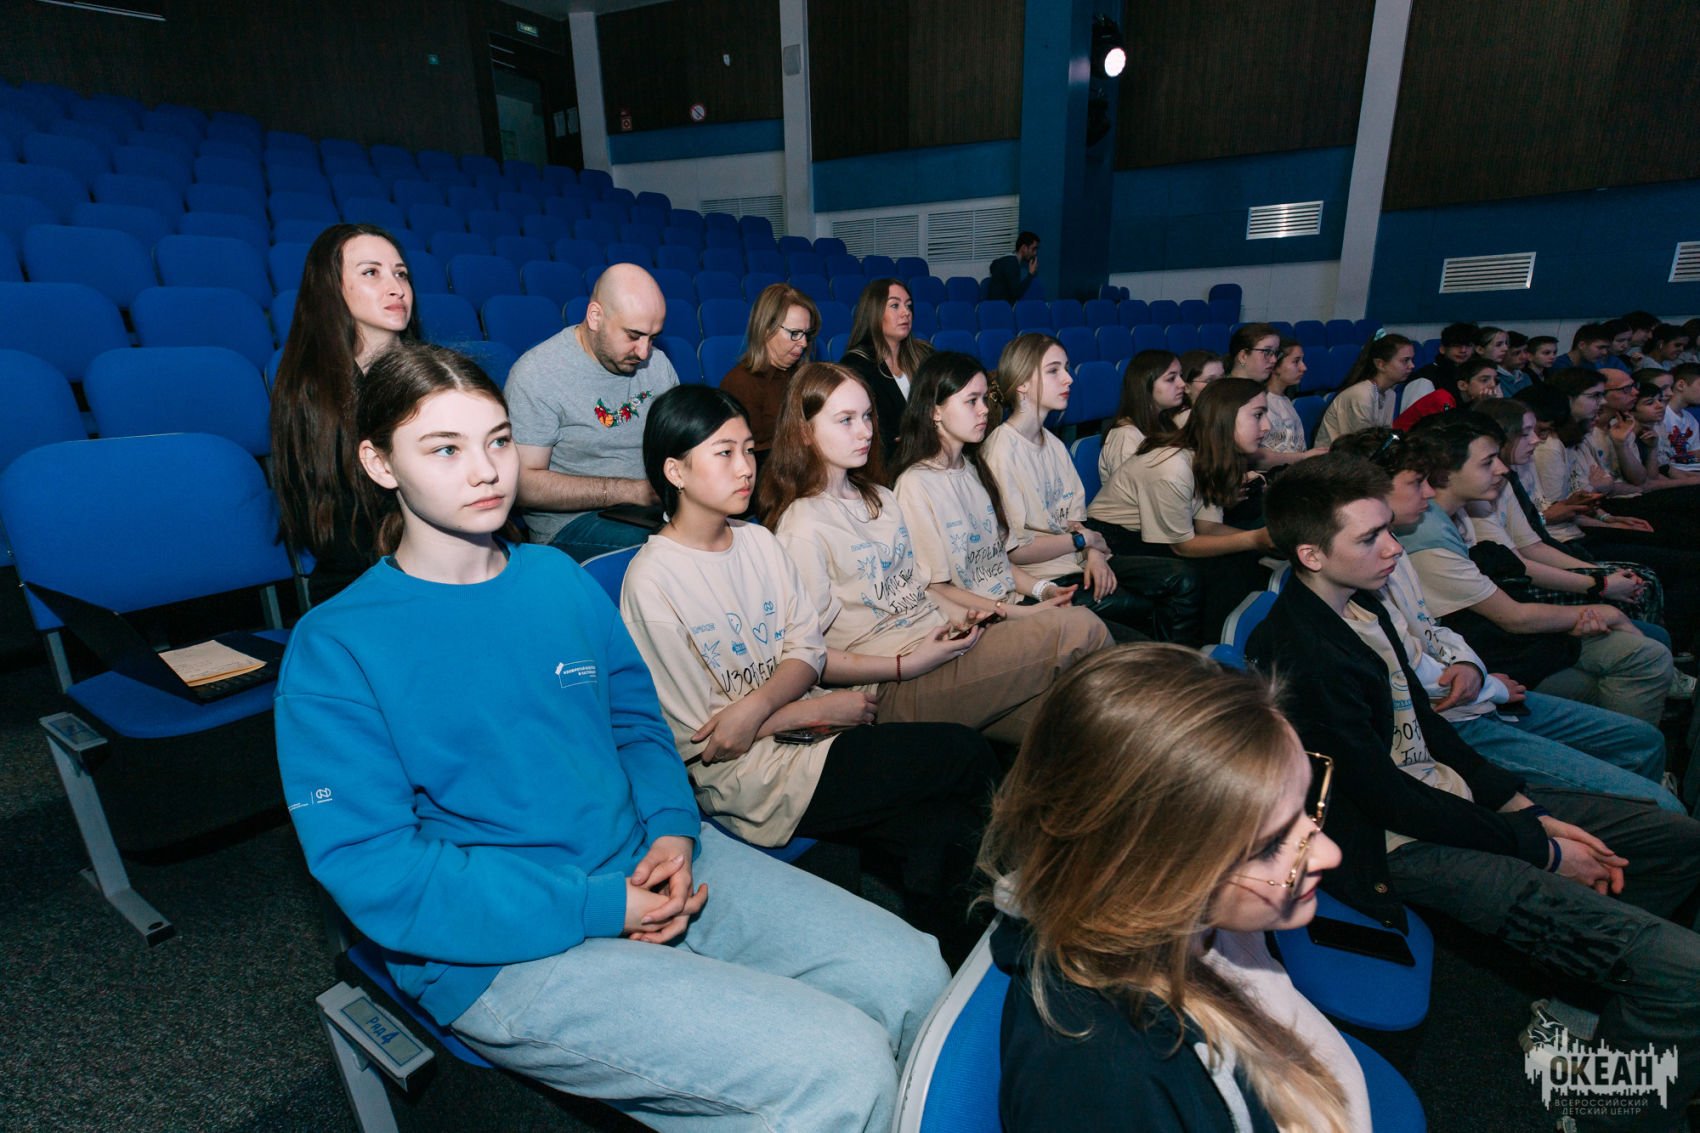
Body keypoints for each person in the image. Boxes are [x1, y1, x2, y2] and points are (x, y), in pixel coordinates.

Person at [275, 343, 948, 1131]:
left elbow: (634, 724)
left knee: (914, 976)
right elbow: (380, 870)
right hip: (504, 946)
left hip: (650, 857)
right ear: (379, 462)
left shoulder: (555, 577)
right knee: (842, 1070)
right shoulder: (336, 647)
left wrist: (672, 827)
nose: (487, 470)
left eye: (498, 440)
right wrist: (601, 903)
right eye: (445, 449)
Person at [1248, 454, 1700, 1133]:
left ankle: (1586, 1001)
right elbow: (1389, 799)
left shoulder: (1363, 606)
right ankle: (1605, 1114)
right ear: (1312, 554)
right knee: (1687, 974)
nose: (1393, 547)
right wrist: (1539, 847)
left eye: (1388, 529)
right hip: (1398, 844)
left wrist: (1523, 807)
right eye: (1370, 537)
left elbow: (1430, 729)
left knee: (1676, 842)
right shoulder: (1299, 652)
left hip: (1443, 800)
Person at [619, 384, 999, 961]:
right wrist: (809, 709)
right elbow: (709, 740)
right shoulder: (653, 581)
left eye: (748, 450)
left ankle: (964, 966)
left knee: (941, 829)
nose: (745, 467)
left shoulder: (757, 542)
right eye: (724, 453)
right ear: (675, 471)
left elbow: (806, 650)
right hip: (755, 777)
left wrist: (764, 707)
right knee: (964, 754)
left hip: (816, 737)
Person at [987, 644, 1367, 1133]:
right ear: (1154, 874)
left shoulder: (1190, 923)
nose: (1329, 853)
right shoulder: (1107, 1086)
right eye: (1271, 845)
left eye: (1307, 805)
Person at [1329, 426, 1682, 811]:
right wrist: (1488, 684)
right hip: (1457, 716)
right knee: (1663, 797)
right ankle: (1634, 814)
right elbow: (1410, 672)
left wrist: (1472, 669)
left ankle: (1631, 809)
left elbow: (1433, 631)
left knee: (1644, 740)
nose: (1428, 493)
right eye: (1417, 483)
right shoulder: (1399, 551)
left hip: (1477, 687)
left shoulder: (1398, 544)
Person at [763, 362, 1109, 747]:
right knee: (1081, 627)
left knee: (1075, 724)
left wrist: (965, 617)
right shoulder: (802, 526)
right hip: (891, 683)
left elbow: (922, 588)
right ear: (804, 432)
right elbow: (809, 655)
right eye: (845, 420)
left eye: (867, 416)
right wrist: (905, 664)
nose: (865, 431)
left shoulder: (881, 498)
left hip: (943, 647)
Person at [1396, 415, 1676, 728]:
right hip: (1487, 652)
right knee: (1643, 658)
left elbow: (1523, 559)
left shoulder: (1458, 513)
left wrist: (1593, 589)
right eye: (1488, 463)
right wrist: (1600, 602)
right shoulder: (1429, 534)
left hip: (1493, 639)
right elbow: (1513, 617)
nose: (1501, 469)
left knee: (1650, 641)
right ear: (1446, 473)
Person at [893, 347, 1144, 642]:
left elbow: (998, 564)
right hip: (980, 625)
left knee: (1132, 640)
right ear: (935, 411)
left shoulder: (974, 470)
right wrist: (1022, 612)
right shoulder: (915, 485)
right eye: (971, 401)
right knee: (1109, 640)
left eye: (984, 399)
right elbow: (937, 588)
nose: (984, 409)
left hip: (1013, 604)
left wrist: (1045, 590)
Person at [270, 222, 422, 602]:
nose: (396, 287)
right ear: (331, 288)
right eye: (371, 272)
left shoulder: (434, 372)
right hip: (364, 583)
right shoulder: (312, 389)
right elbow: (340, 532)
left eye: (401, 273)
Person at [507, 262, 680, 562]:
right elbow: (523, 485)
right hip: (572, 525)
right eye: (633, 335)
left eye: (652, 338)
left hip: (649, 510)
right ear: (595, 316)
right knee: (669, 547)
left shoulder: (658, 365)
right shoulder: (537, 374)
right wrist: (630, 492)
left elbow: (681, 441)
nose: (644, 352)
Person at [1085, 378, 1276, 646]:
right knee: (1221, 574)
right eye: (1257, 415)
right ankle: (1197, 656)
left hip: (1154, 535)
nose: (1267, 426)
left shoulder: (1213, 457)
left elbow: (1208, 527)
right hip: (1115, 539)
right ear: (1224, 418)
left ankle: (1239, 648)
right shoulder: (1172, 466)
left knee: (1245, 561)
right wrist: (1255, 539)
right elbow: (1183, 546)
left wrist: (1266, 540)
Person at [716, 282, 818, 459]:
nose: (803, 343)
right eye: (794, 333)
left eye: (806, 334)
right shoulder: (740, 384)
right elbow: (748, 457)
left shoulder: (805, 377)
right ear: (765, 330)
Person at [839, 278, 932, 459]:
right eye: (895, 306)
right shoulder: (856, 365)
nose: (906, 312)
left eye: (909, 306)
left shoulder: (924, 354)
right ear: (874, 312)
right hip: (886, 462)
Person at [1312, 333, 1414, 447]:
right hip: (1335, 455)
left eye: (1411, 360)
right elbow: (1362, 445)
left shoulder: (1390, 394)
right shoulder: (1362, 394)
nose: (1412, 365)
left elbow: (1383, 438)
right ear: (1380, 364)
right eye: (1405, 360)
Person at [1099, 348, 1185, 481]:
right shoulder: (1125, 436)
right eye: (1171, 378)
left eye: (1181, 376)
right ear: (1146, 385)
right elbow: (1130, 490)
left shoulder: (1166, 421)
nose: (1182, 384)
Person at [1257, 336, 1326, 465]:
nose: (1304, 367)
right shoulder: (1260, 403)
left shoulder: (1285, 400)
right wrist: (1304, 457)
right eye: (1296, 361)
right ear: (1275, 366)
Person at [1392, 355, 1501, 431]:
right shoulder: (1442, 399)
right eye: (1484, 380)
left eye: (1496, 380)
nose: (1492, 385)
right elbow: (1452, 434)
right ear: (1463, 385)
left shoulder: (1471, 402)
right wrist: (1482, 405)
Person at [1401, 321, 1477, 406]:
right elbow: (1415, 413)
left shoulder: (1475, 375)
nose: (1463, 350)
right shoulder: (1425, 379)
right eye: (1456, 345)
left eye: (1468, 345)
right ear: (1442, 349)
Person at [986, 231, 1039, 303]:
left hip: (998, 306)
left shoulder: (1007, 260)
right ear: (1024, 248)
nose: (1035, 253)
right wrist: (1030, 274)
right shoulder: (1011, 263)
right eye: (1033, 249)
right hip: (1001, 308)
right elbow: (1016, 294)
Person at [1176, 348, 1225, 426]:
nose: (1220, 384)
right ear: (1186, 387)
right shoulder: (1187, 418)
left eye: (1222, 377)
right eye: (1210, 380)